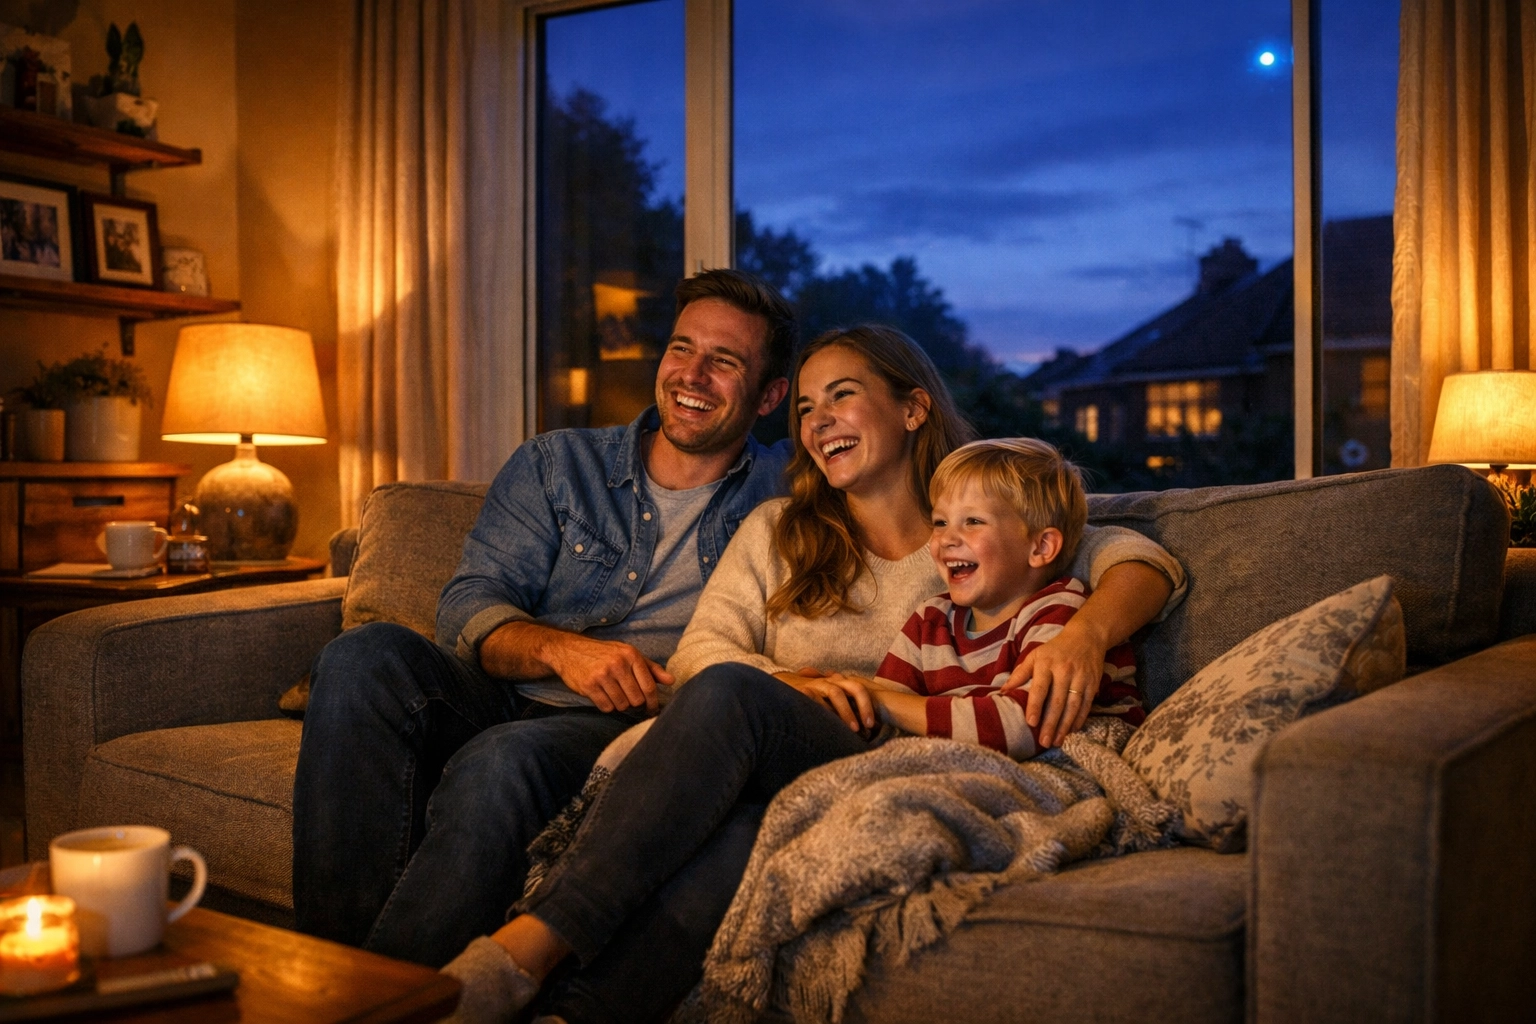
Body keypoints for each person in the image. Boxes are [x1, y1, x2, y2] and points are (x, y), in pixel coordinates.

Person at [440, 325, 1185, 1024]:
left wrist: (1086, 633)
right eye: (803, 406)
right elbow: (702, 654)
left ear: (914, 407)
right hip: (780, 739)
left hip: (891, 748)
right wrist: (793, 685)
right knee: (743, 820)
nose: (819, 419)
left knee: (735, 700)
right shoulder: (777, 529)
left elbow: (1137, 559)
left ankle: (525, 950)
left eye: (841, 395)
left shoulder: (977, 521)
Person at [292, 268, 797, 967]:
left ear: (770, 395)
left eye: (726, 361)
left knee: (502, 762)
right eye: (682, 349)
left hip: (624, 726)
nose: (693, 375)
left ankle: (385, 1000)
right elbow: (470, 605)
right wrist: (564, 651)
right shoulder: (559, 464)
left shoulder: (794, 489)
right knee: (359, 657)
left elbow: (915, 476)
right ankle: (333, 979)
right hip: (503, 689)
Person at [869, 436, 1143, 758]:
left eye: (973, 521)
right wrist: (843, 695)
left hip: (1060, 763)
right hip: (965, 761)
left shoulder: (1060, 609)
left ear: (1040, 548)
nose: (946, 539)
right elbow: (884, 704)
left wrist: (879, 702)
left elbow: (1022, 728)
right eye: (940, 522)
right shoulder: (931, 618)